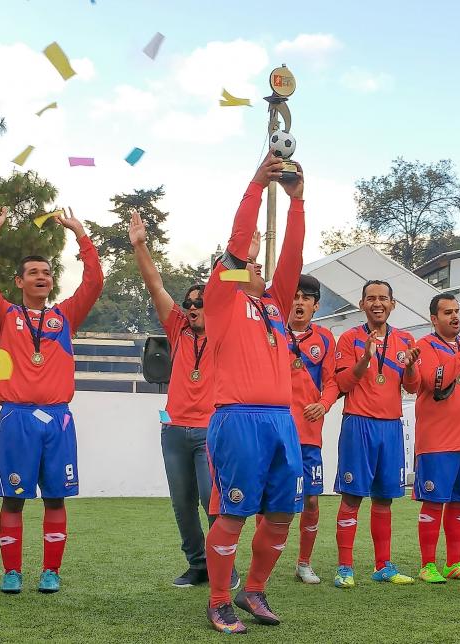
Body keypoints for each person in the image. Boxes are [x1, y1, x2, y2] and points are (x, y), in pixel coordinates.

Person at [201, 153, 305, 634]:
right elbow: (239, 246)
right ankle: (218, 599)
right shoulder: (221, 301)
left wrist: (297, 202)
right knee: (235, 511)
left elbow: (292, 259)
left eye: (257, 267)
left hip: (282, 421)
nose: (255, 268)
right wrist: (256, 184)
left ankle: (254, 589)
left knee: (282, 512)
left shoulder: (275, 309)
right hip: (237, 418)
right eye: (247, 265)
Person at [0, 202, 104, 595]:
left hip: (59, 419)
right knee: (14, 499)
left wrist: (81, 235)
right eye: (33, 272)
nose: (41, 277)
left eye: (47, 273)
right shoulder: (6, 316)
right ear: (20, 281)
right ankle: (11, 572)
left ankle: (51, 571)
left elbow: (94, 282)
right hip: (16, 418)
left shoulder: (65, 317)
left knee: (55, 498)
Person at [129, 211, 237, 590]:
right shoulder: (177, 328)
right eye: (189, 302)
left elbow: (237, 289)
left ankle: (225, 563)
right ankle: (198, 564)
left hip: (211, 430)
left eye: (200, 302)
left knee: (214, 500)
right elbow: (154, 284)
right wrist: (141, 245)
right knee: (182, 504)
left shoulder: (226, 330)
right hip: (173, 429)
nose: (192, 307)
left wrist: (241, 258)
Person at [332, 280, 421, 588]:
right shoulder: (348, 338)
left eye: (383, 298)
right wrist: (366, 358)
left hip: (391, 426)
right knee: (353, 497)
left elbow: (412, 386)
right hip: (358, 423)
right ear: (362, 304)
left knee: (384, 499)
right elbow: (343, 383)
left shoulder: (406, 339)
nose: (377, 303)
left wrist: (410, 367)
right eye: (371, 298)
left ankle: (383, 565)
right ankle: (345, 567)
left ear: (392, 304)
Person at [409, 295, 460, 584]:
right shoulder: (425, 346)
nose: (454, 316)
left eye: (457, 311)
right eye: (447, 312)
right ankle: (427, 564)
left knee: (459, 503)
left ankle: (454, 563)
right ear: (434, 318)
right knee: (434, 502)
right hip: (437, 441)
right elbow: (435, 381)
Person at [285, 274, 339, 585]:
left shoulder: (325, 339)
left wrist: (325, 403)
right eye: (295, 296)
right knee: (271, 499)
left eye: (306, 298)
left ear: (316, 306)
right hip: (276, 432)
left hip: (308, 434)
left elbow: (331, 382)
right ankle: (266, 558)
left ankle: (304, 562)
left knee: (312, 500)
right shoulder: (273, 333)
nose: (300, 302)